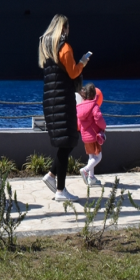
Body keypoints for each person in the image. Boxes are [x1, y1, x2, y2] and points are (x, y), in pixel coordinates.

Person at [39, 14, 90, 201]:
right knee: (67, 142)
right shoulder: (65, 47)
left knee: (65, 142)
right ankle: (60, 190)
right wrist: (83, 62)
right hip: (63, 100)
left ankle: (51, 176)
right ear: (64, 28)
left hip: (50, 100)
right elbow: (73, 71)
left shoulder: (47, 48)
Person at [76, 84, 106, 186]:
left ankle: (91, 178)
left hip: (85, 137)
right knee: (98, 157)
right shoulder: (94, 105)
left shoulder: (79, 106)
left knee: (91, 157)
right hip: (94, 136)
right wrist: (104, 126)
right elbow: (98, 118)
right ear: (94, 95)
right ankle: (85, 170)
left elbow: (79, 123)